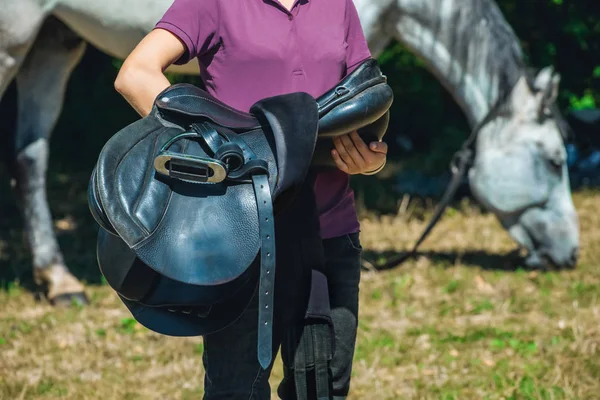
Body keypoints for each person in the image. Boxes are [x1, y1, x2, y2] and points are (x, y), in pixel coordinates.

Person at [114, 0, 388, 398]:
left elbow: (364, 93)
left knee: (325, 390)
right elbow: (135, 75)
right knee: (236, 390)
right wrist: (210, 141)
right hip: (243, 237)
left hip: (331, 230)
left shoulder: (337, 4)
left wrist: (370, 162)